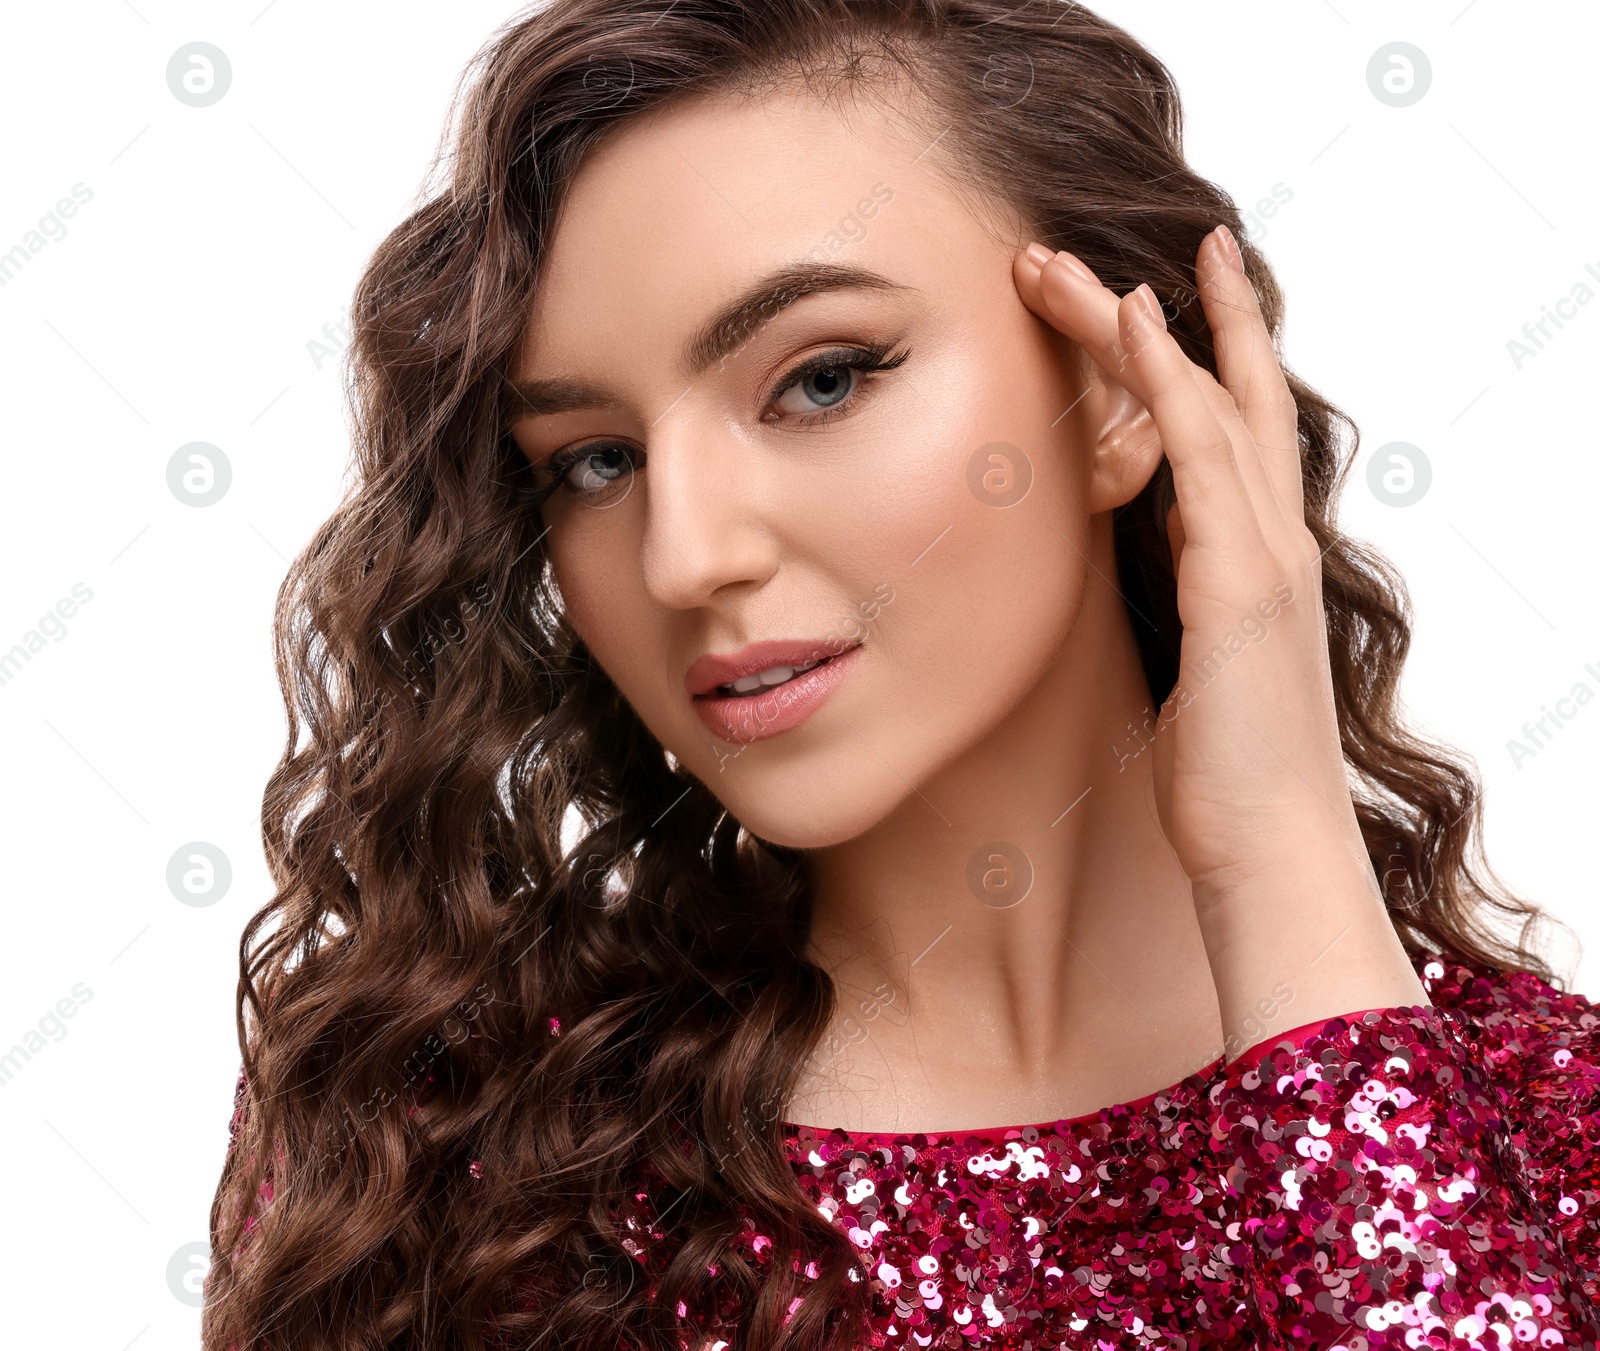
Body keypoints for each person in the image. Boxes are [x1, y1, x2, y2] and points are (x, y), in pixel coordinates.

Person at [203, 2, 1600, 1348]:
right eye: (597, 460)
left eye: (819, 379)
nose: (685, 556)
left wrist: (1284, 864)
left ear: (1119, 384)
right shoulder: (448, 1161)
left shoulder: (1553, 1132)